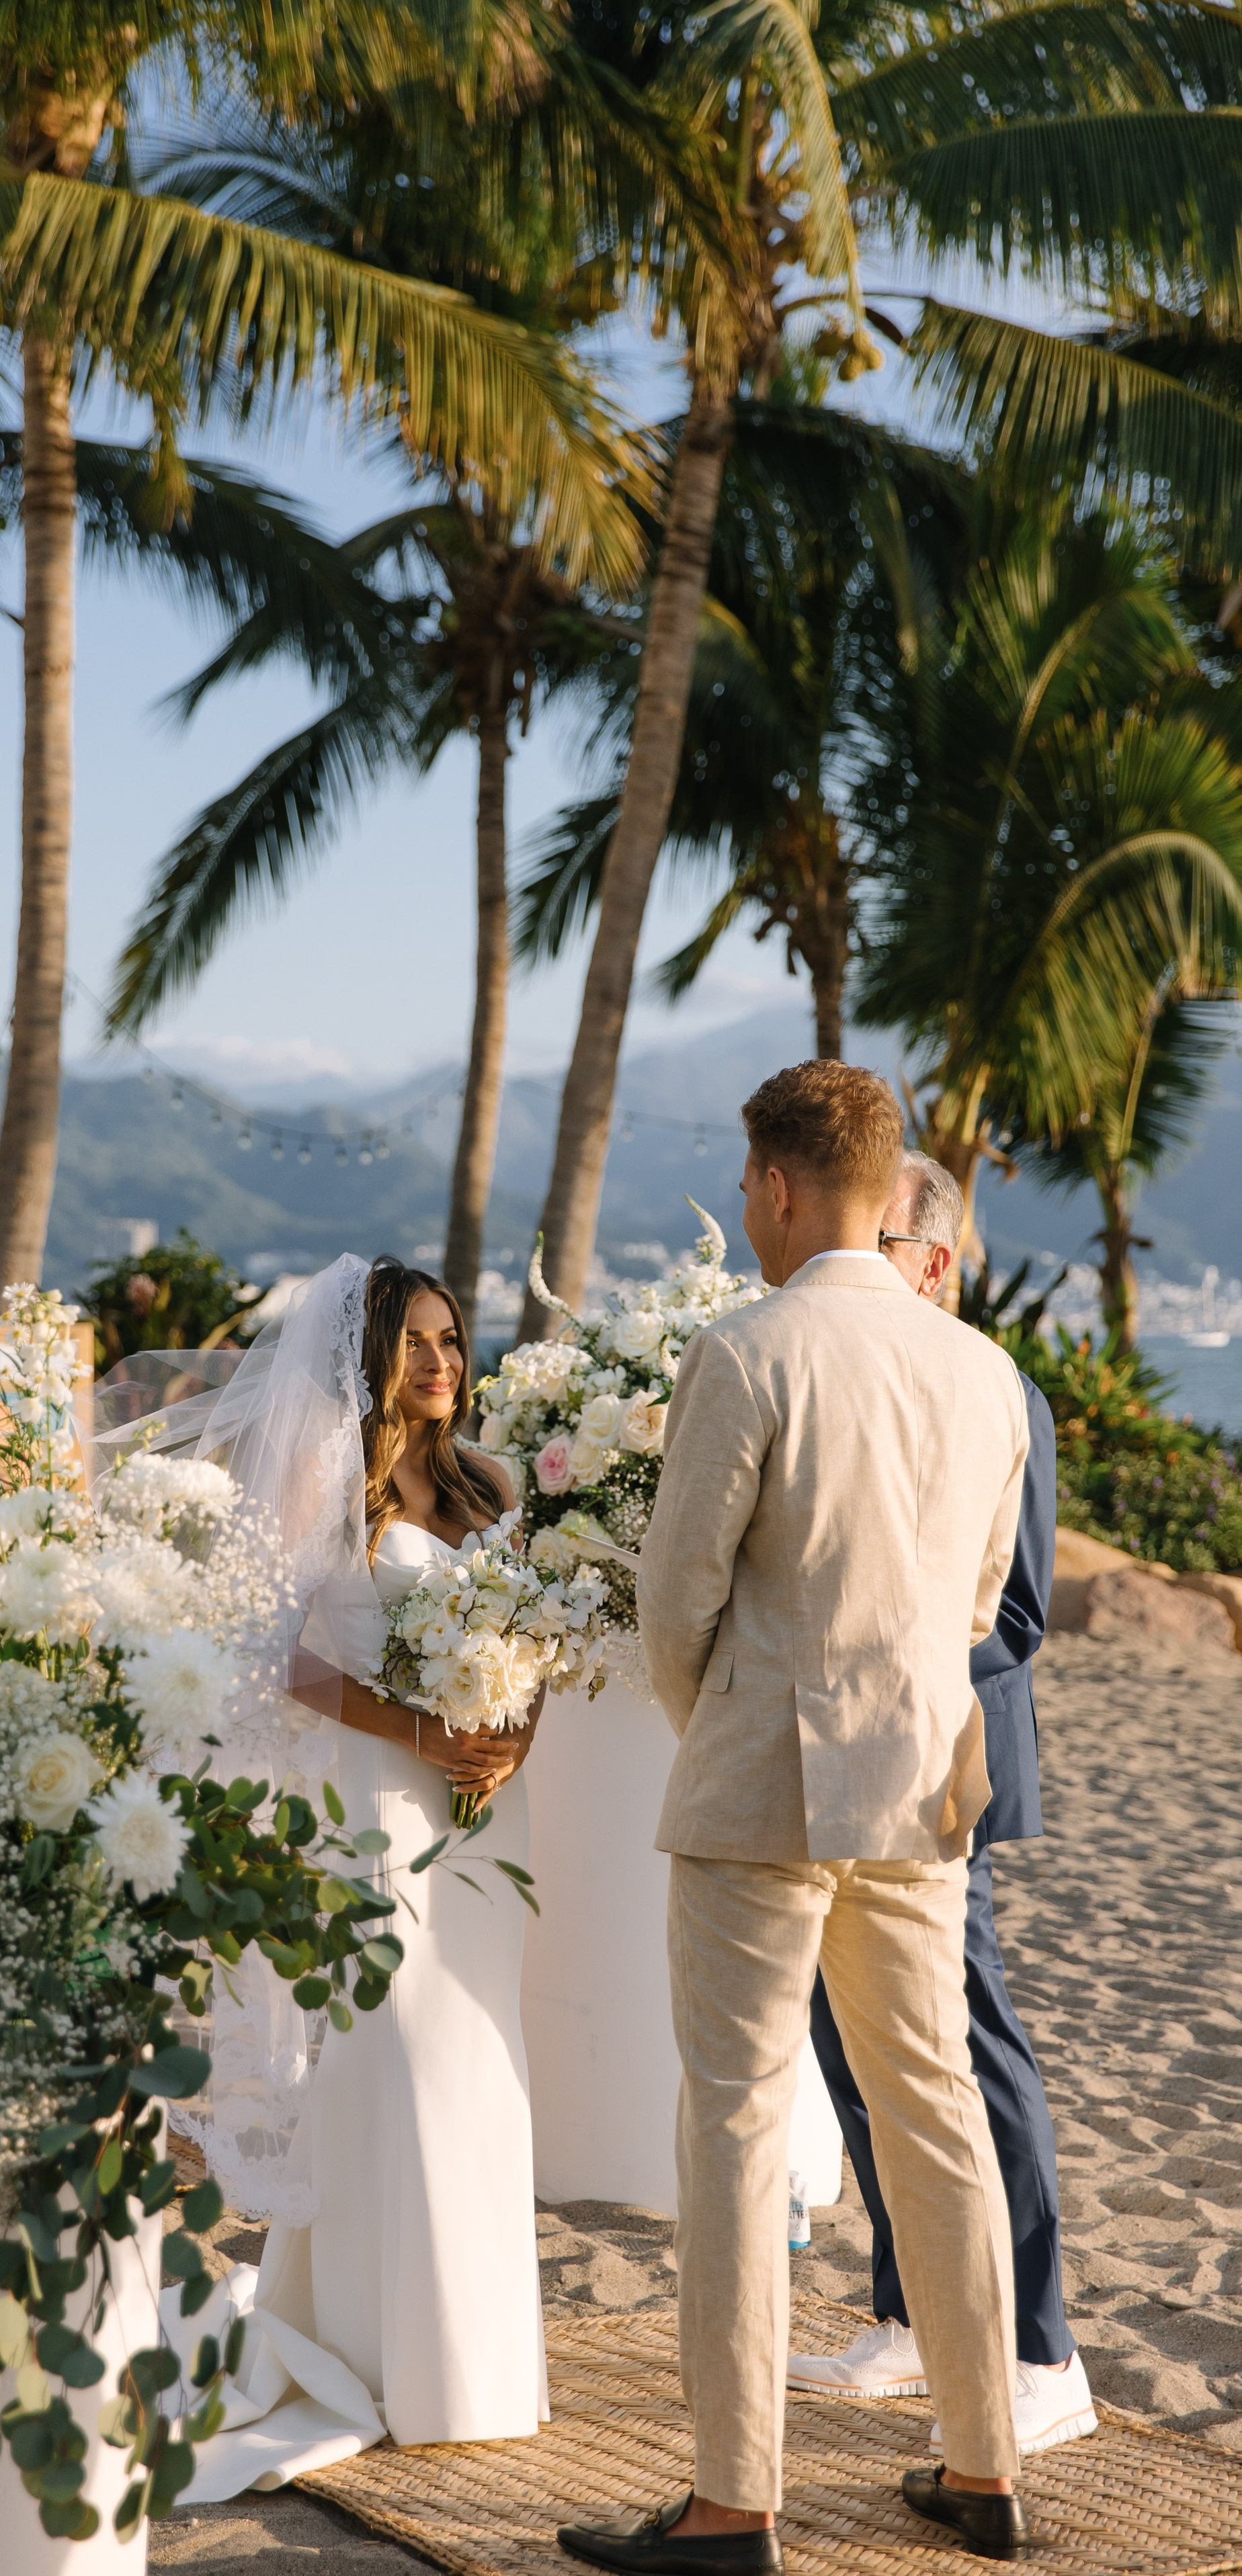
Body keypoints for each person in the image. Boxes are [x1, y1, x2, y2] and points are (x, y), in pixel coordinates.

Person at [558, 1063, 1032, 2576]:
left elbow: (674, 1602)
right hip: (920, 1779)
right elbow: (969, 1607)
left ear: (770, 1187)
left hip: (765, 1774)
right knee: (932, 2115)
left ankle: (729, 2503)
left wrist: (723, 1728)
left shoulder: (747, 1347)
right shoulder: (977, 1371)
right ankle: (982, 2468)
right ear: (891, 1186)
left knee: (738, 2125)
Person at [120, 1256, 548, 2495]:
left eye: (451, 1340)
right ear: (366, 1359)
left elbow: (543, 1636)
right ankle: (388, 2351)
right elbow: (279, 1666)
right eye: (413, 1342)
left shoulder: (488, 1486)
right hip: (376, 1804)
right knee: (395, 2057)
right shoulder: (326, 1484)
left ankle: (474, 2366)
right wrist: (423, 1732)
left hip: (487, 1810)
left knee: (477, 2064)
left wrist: (514, 1734)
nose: (439, 1363)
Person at [788, 1154, 1095, 2455]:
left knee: (969, 2043)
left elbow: (1012, 1610)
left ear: (934, 1262)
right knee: (848, 2037)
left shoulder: (993, 1385)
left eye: (885, 1245)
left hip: (947, 1762)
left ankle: (1038, 2346)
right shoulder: (870, 1373)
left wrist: (881, 1659)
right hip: (841, 1761)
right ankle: (912, 2316)